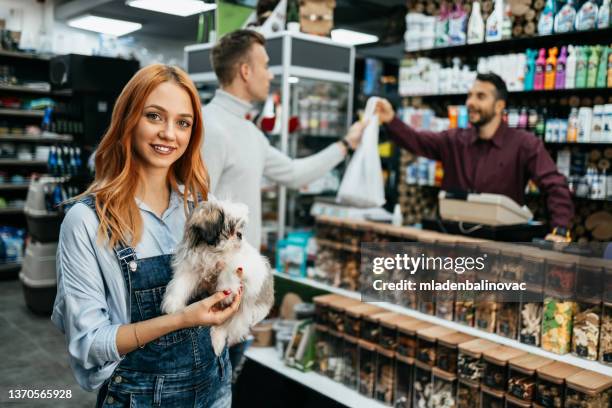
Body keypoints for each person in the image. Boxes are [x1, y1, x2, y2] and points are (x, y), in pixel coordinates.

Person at [51, 64, 243, 408]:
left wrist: (231, 288)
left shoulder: (200, 208)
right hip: (141, 398)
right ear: (128, 119)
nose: (170, 134)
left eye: (183, 123)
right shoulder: (87, 221)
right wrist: (182, 318)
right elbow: (89, 343)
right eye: (154, 116)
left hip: (215, 389)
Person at [201, 29, 366, 375]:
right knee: (207, 387)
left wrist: (346, 145)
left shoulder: (248, 132)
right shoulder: (210, 127)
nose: (271, 74)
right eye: (265, 64)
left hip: (242, 286)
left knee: (224, 386)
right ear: (245, 71)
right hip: (215, 292)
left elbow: (293, 173)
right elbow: (196, 212)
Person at [376, 73, 574, 242]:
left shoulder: (524, 144)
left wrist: (560, 230)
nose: (470, 102)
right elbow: (416, 140)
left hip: (501, 246)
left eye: (480, 96)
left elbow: (555, 185)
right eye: (470, 95)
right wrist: (390, 120)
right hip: (452, 242)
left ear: (499, 106)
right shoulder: (454, 140)